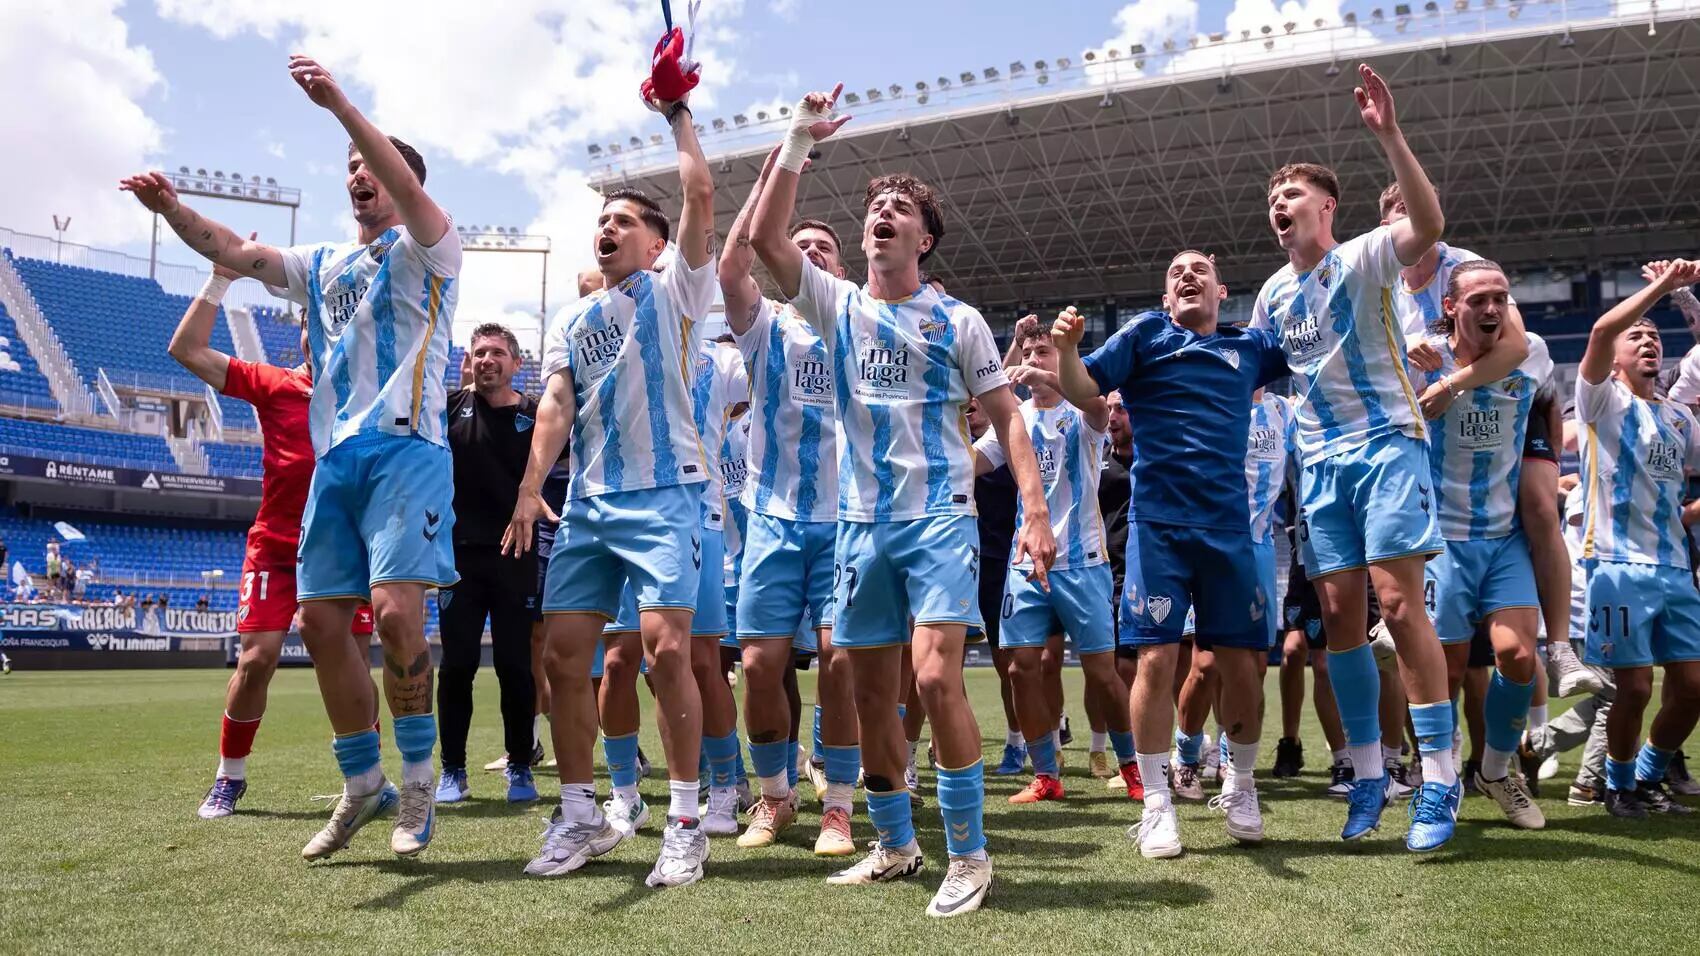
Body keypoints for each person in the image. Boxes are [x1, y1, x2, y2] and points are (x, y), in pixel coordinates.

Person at [125, 55, 461, 860]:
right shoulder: (322, 266)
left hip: (407, 446)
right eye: (349, 169)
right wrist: (174, 209)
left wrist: (340, 107)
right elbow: (234, 254)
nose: (358, 176)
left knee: (396, 614)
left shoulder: (432, 247)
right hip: (337, 457)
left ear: (398, 177)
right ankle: (362, 785)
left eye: (370, 165)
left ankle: (419, 782)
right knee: (316, 621)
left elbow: (405, 189)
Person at [750, 84, 1054, 918]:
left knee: (935, 678)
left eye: (898, 209)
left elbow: (1008, 423)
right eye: (875, 206)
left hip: (939, 520)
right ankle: (895, 845)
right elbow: (761, 239)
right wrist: (796, 140)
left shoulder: (958, 322)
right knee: (863, 691)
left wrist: (1033, 512)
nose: (882, 213)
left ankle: (970, 855)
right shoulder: (834, 304)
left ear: (924, 237)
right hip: (859, 525)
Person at [1249, 65, 1527, 851]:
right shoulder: (1271, 295)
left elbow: (1429, 225)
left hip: (1386, 446)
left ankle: (1437, 778)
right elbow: (1267, 369)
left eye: (1293, 196)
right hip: (1320, 461)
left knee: (1400, 607)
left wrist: (1389, 136)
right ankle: (1369, 771)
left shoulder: (1367, 255)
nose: (1280, 205)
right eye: (1274, 200)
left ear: (1326, 209)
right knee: (1339, 617)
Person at [502, 81, 718, 886]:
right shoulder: (573, 321)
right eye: (602, 221)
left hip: (666, 496)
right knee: (561, 657)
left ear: (659, 245)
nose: (608, 228)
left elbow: (698, 188)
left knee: (668, 653)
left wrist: (674, 114)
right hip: (590, 503)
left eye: (625, 221)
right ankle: (584, 814)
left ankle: (688, 822)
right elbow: (556, 402)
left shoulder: (678, 289)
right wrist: (531, 486)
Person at [1055, 249, 1289, 857]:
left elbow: (1321, 343)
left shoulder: (1252, 348)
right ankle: (1158, 804)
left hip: (1230, 531)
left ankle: (1240, 783)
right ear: (1165, 299)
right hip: (1158, 527)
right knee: (1157, 662)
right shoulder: (1144, 336)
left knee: (1241, 667)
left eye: (1199, 272)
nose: (1187, 277)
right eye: (1175, 274)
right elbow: (1082, 387)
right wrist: (1068, 349)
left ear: (1222, 291)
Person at [718, 150, 860, 856]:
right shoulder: (763, 321)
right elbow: (732, 266)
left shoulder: (860, 319)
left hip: (846, 520)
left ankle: (838, 803)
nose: (808, 254)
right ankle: (775, 797)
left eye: (822, 249)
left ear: (839, 267)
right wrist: (783, 161)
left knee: (841, 662)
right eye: (798, 247)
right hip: (772, 518)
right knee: (761, 663)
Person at [976, 319, 1138, 806]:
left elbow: (1095, 402)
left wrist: (1051, 376)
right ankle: (1046, 773)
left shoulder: (1082, 412)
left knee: (1102, 673)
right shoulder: (1013, 418)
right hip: (1026, 564)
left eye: (1043, 351)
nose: (1034, 359)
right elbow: (974, 462)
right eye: (1029, 351)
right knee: (1021, 669)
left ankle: (1133, 767)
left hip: (1083, 560)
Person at [1415, 259, 1548, 830]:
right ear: (1451, 307)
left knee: (1518, 656)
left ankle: (1495, 770)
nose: (1492, 308)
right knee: (1439, 670)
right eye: (1478, 300)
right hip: (1441, 540)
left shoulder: (1531, 356)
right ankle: (1437, 779)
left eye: (1501, 298)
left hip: (1503, 538)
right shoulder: (1420, 358)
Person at [1574, 258, 1700, 819]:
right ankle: (1617, 787)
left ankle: (1649, 774)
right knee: (1635, 690)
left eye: (1654, 336)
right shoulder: (1601, 401)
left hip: (1675, 567)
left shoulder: (1680, 419)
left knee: (1694, 687)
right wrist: (1661, 290)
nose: (1648, 341)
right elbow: (1601, 330)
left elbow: (1681, 493)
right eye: (1638, 336)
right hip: (1618, 564)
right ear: (1619, 357)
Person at [434, 324, 551, 807]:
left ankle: (520, 764)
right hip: (458, 558)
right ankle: (452, 770)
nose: (487, 360)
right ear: (469, 359)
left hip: (516, 554)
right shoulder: (448, 408)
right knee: (457, 666)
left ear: (515, 363)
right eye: (479, 352)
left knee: (514, 666)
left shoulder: (534, 414)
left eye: (497, 352)